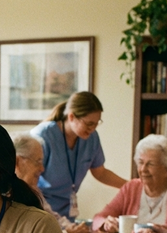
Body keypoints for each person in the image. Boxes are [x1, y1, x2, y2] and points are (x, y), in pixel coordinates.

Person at [31, 91, 127, 219]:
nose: (92, 129)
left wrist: (131, 186)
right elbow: (27, 180)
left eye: (96, 123)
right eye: (89, 124)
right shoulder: (43, 136)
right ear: (71, 117)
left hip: (68, 213)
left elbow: (100, 172)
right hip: (40, 210)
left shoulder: (91, 138)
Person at [11, 132, 92, 233]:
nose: (42, 169)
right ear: (17, 161)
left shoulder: (33, 190)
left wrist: (74, 228)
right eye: (38, 162)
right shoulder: (5, 194)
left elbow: (52, 218)